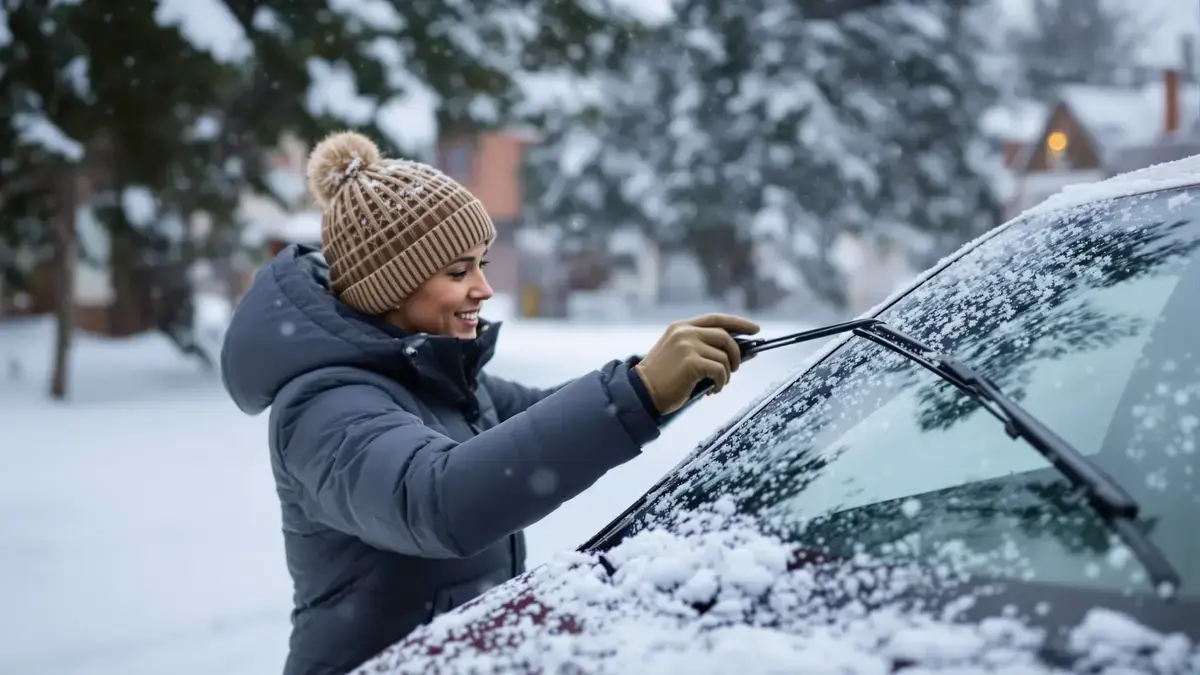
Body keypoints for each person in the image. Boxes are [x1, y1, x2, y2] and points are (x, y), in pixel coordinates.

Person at [219, 130, 760, 675]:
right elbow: (437, 499)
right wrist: (636, 395)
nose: (484, 287)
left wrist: (660, 381)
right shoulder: (323, 407)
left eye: (481, 263)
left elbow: (537, 419)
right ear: (387, 288)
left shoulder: (433, 377)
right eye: (458, 272)